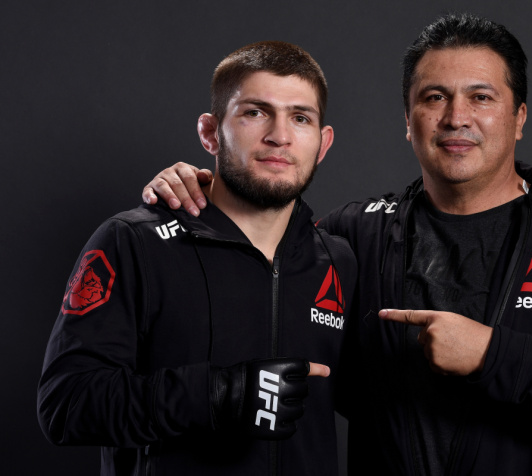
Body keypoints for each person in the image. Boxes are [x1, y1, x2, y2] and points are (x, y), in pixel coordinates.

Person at [142, 14, 532, 476]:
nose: (456, 117)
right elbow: (262, 257)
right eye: (434, 97)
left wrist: (493, 355)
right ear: (408, 120)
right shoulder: (355, 235)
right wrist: (205, 186)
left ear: (519, 118)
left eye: (481, 97)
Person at [37, 41, 357, 475]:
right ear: (210, 133)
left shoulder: (338, 260)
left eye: (300, 118)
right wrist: (217, 395)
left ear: (322, 143)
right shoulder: (135, 242)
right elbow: (65, 404)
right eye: (255, 112)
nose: (280, 136)